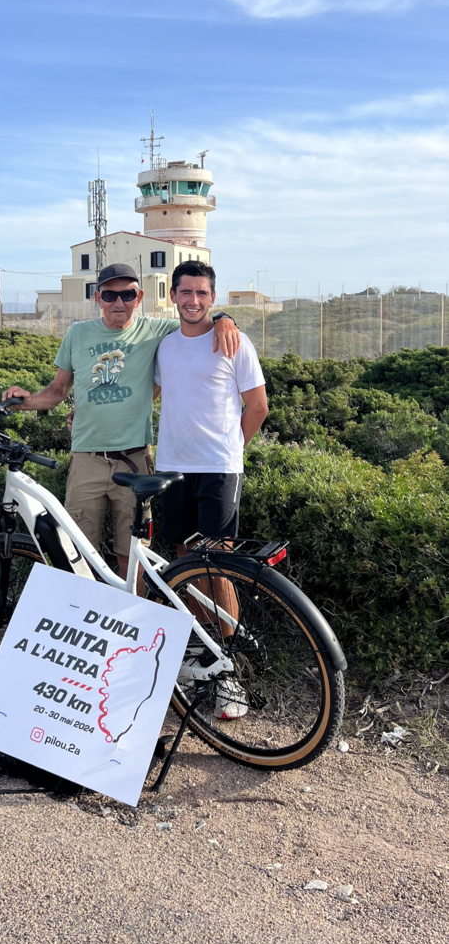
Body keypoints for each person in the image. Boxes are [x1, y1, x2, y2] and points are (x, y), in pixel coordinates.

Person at [2, 262, 239, 582]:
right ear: (97, 298)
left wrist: (225, 319)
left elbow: (195, 318)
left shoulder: (156, 330)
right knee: (78, 552)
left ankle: (131, 623)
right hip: (87, 459)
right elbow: (57, 391)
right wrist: (22, 401)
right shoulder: (77, 334)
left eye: (127, 294)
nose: (119, 302)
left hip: (135, 459)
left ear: (139, 297)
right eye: (110, 295)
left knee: (133, 555)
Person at [153, 258, 268, 718]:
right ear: (173, 296)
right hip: (172, 468)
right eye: (186, 292)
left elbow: (256, 408)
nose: (194, 301)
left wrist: (228, 453)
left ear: (213, 298)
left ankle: (229, 673)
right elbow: (155, 394)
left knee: (217, 564)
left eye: (203, 294)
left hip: (218, 470)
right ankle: (201, 654)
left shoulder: (234, 342)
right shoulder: (164, 347)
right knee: (183, 561)